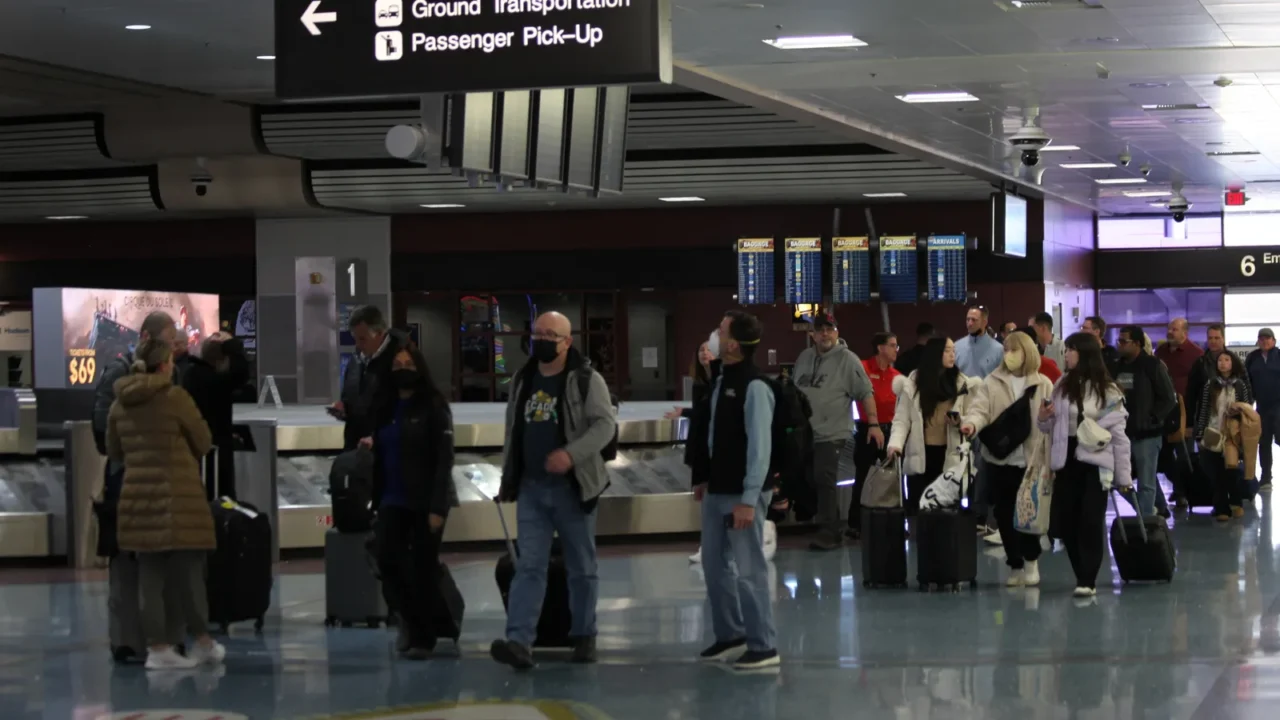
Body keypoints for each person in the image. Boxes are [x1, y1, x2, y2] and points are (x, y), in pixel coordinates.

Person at [490, 312, 617, 670]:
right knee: (528, 565)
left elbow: (605, 426)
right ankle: (518, 641)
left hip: (573, 489)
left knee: (582, 567)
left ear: (567, 341)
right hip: (532, 488)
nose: (542, 340)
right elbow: (513, 431)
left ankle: (584, 634)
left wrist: (570, 455)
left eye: (550, 335)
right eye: (538, 333)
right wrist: (508, 478)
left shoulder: (586, 381)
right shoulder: (523, 379)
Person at [105, 337, 225, 670]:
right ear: (165, 365)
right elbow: (203, 440)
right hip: (178, 496)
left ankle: (157, 649)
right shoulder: (175, 398)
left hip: (137, 498)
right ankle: (202, 641)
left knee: (150, 576)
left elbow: (114, 451)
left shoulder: (120, 404)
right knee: (189, 572)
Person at [687, 310, 779, 670]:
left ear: (733, 344)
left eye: (720, 330)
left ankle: (763, 644)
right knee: (714, 563)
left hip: (742, 494)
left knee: (749, 568)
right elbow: (712, 436)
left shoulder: (755, 387)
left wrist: (749, 498)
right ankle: (731, 634)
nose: (714, 334)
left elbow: (760, 449)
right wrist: (704, 477)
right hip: (716, 489)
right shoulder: (720, 379)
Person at [373, 346, 457, 660]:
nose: (403, 368)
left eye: (409, 363)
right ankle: (410, 620)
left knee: (422, 569)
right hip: (391, 498)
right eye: (397, 364)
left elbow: (443, 459)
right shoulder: (385, 406)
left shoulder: (434, 407)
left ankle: (425, 636)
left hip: (424, 501)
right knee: (388, 562)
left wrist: (438, 506)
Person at [1037, 333, 1132, 598]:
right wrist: (1043, 418)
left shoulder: (1108, 390)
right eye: (1066, 350)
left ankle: (1087, 578)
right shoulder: (1062, 384)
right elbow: (1047, 427)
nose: (1066, 355)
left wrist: (1123, 478)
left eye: (1071, 350)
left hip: (1095, 463)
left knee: (1090, 521)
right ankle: (1080, 571)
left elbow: (1120, 438)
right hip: (1065, 462)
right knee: (1067, 523)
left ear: (1085, 354)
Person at [959, 331, 1054, 587]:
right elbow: (980, 410)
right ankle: (1015, 564)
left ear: (1027, 352)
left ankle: (1031, 560)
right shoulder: (992, 381)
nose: (1009, 355)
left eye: (1015, 350)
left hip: (1031, 461)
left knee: (1028, 514)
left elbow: (1052, 422)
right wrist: (971, 425)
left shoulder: (1043, 384)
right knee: (1004, 515)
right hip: (1000, 460)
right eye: (1006, 350)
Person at [794, 314, 878, 551]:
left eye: (829, 329)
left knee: (824, 477)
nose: (824, 334)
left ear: (837, 332)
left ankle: (831, 531)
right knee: (808, 479)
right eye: (820, 330)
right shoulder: (804, 358)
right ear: (813, 335)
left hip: (833, 432)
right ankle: (819, 522)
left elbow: (865, 392)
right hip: (805, 433)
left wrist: (873, 424)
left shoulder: (848, 359)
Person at [885, 338, 978, 515]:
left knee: (946, 509)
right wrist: (895, 445)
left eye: (953, 350)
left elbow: (973, 417)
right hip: (921, 454)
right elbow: (902, 419)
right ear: (935, 354)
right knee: (920, 508)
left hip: (949, 454)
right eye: (947, 351)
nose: (953, 355)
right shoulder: (914, 382)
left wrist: (960, 421)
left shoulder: (961, 383)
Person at [1112, 326, 1176, 518]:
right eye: (1119, 341)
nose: (1120, 345)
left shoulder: (1152, 365)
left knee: (1146, 482)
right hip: (1120, 433)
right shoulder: (1116, 366)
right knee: (1117, 479)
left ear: (1137, 344)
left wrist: (1153, 418)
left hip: (1147, 434)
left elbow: (1168, 398)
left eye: (1124, 341)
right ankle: (1147, 511)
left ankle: (1146, 523)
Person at [182, 332, 251, 501]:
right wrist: (232, 345)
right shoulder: (213, 380)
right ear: (222, 360)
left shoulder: (192, 374)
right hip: (215, 451)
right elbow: (241, 373)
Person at [332, 305, 407, 451]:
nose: (358, 345)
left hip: (386, 454)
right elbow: (353, 397)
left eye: (362, 339)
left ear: (380, 333)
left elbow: (408, 413)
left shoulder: (401, 361)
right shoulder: (356, 360)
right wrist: (344, 408)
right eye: (355, 339)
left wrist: (378, 439)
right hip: (355, 450)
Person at [849, 332, 901, 536]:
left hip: (891, 430)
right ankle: (857, 524)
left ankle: (893, 520)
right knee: (863, 476)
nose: (896, 349)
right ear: (880, 348)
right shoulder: (862, 368)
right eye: (892, 345)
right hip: (867, 429)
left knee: (893, 477)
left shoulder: (896, 376)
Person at [1196, 351, 1255, 521]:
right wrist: (1200, 433)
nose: (1223, 363)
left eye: (1227, 360)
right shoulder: (1210, 384)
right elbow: (1204, 410)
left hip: (1233, 434)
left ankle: (1236, 502)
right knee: (1216, 471)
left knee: (1231, 470)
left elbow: (1247, 408)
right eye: (1220, 360)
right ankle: (1221, 507)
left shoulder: (1240, 385)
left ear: (1233, 363)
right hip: (1213, 431)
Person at [1155, 317, 1203, 507]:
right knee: (1165, 457)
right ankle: (1179, 487)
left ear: (1185, 333)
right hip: (1163, 411)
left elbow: (1200, 387)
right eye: (1169, 328)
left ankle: (1185, 492)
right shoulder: (1160, 352)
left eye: (1174, 329)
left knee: (1184, 454)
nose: (1170, 332)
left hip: (1185, 412)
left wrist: (1194, 420)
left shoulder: (1196, 354)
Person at [1246, 328, 1280, 493]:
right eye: (1262, 339)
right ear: (1258, 341)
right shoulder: (1252, 358)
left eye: (1268, 339)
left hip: (1279, 405)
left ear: (1274, 340)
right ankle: (1266, 478)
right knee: (1264, 442)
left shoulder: (1279, 355)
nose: (1265, 341)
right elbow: (1247, 381)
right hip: (1261, 407)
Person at [955, 306, 1003, 380]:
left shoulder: (998, 349)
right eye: (968, 319)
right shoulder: (956, 347)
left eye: (974, 320)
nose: (970, 323)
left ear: (984, 322)